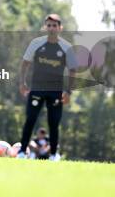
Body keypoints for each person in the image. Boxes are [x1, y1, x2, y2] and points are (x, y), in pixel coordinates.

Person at [17, 14, 77, 161]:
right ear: (45, 27)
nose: (51, 28)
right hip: (36, 89)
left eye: (54, 25)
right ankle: (22, 152)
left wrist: (68, 91)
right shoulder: (36, 43)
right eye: (49, 25)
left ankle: (53, 154)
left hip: (55, 91)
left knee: (54, 123)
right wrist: (22, 82)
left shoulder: (66, 47)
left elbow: (73, 70)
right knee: (30, 119)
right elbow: (25, 63)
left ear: (60, 28)